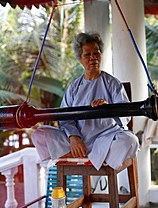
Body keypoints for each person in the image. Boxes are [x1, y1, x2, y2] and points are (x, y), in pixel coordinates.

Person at [31, 32, 139, 170]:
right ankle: (87, 157)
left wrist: (109, 108)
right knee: (39, 134)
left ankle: (85, 160)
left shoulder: (113, 84)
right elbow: (65, 118)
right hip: (78, 142)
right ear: (80, 59)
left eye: (96, 53)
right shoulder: (74, 87)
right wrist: (73, 137)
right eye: (87, 55)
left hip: (105, 139)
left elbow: (126, 116)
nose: (93, 58)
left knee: (130, 141)